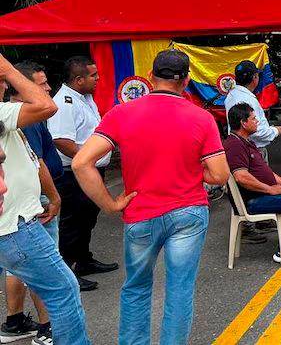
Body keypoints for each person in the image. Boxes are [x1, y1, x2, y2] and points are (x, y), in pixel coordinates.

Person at [72, 50, 230, 345]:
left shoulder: (121, 113)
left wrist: (109, 204)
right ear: (186, 81)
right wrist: (197, 172)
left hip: (140, 213)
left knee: (136, 288)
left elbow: (81, 162)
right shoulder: (202, 118)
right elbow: (220, 175)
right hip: (188, 212)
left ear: (150, 78)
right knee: (180, 290)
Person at [0, 54, 90, 345]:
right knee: (63, 289)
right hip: (16, 225)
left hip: (20, 221)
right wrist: (9, 68)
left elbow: (31, 160)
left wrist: (51, 197)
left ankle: (19, 323)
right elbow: (46, 106)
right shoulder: (3, 112)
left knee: (51, 284)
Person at [1, 62, 62, 345]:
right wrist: (52, 196)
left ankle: (14, 321)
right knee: (52, 278)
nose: (48, 90)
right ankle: (48, 327)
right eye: (41, 84)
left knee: (19, 267)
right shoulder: (18, 114)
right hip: (25, 210)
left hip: (18, 211)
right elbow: (37, 162)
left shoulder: (12, 115)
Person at [47, 56, 116, 292]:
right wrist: (87, 158)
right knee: (73, 223)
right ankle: (68, 272)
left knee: (88, 217)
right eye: (93, 75)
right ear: (78, 80)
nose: (98, 79)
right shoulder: (64, 103)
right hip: (75, 173)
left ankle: (84, 260)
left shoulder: (84, 98)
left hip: (92, 169)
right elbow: (61, 140)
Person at [224, 103, 281, 265]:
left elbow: (265, 172)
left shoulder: (246, 142)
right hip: (252, 201)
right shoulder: (234, 145)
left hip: (262, 194)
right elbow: (241, 177)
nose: (258, 121)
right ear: (243, 123)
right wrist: (270, 189)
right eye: (253, 119)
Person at [225, 60, 281, 151]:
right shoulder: (247, 99)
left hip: (240, 145)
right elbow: (255, 131)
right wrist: (274, 131)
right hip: (252, 149)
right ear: (254, 77)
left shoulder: (232, 94)